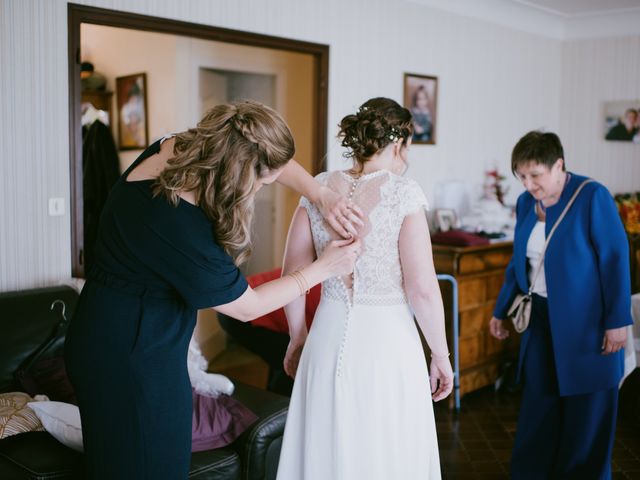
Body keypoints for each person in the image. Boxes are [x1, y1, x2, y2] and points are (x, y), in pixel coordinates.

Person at [64, 100, 363, 479]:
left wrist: (322, 196)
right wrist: (322, 269)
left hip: (101, 335)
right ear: (241, 171)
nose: (261, 189)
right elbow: (248, 307)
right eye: (261, 182)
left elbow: (269, 157)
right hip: (134, 357)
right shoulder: (181, 229)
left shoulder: (179, 147)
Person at [276, 97, 453, 480]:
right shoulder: (403, 193)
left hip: (326, 334)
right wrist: (440, 354)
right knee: (385, 446)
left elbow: (292, 274)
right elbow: (421, 288)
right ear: (399, 144)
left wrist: (297, 336)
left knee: (327, 442)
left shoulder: (318, 189)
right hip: (388, 343)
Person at [489, 131, 633, 479]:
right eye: (521, 176)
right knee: (539, 406)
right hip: (540, 318)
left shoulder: (591, 196)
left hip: (589, 323)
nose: (529, 184)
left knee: (588, 409)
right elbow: (518, 262)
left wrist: (617, 321)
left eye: (535, 175)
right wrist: (500, 309)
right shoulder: (526, 204)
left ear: (559, 166)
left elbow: (615, 260)